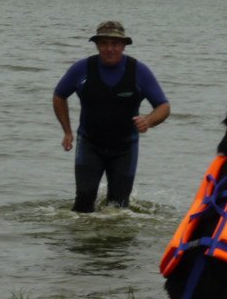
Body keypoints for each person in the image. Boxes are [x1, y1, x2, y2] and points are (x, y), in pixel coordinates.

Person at [53, 21, 170, 212]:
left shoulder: (138, 71)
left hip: (125, 148)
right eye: (104, 43)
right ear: (97, 45)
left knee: (119, 207)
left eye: (115, 44)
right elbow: (59, 95)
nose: (109, 49)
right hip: (89, 144)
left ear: (124, 45)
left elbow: (163, 106)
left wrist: (148, 120)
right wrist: (67, 131)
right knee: (83, 201)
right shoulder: (82, 69)